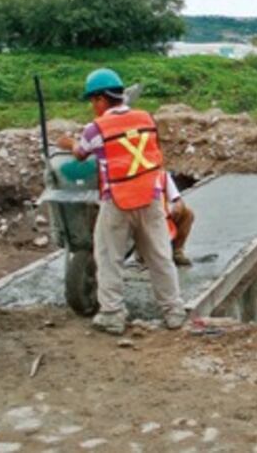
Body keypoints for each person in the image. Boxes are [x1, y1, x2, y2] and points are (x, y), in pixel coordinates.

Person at [57, 68, 187, 334]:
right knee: (160, 257)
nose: (93, 107)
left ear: (100, 99)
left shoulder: (97, 128)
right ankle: (173, 312)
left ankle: (113, 315)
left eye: (93, 102)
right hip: (150, 197)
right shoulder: (146, 118)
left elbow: (81, 154)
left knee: (108, 257)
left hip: (117, 199)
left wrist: (68, 142)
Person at [163, 173, 194, 266]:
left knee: (187, 214)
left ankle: (177, 252)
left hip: (162, 219)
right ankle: (144, 255)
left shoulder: (162, 175)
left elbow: (177, 198)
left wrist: (178, 205)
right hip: (146, 224)